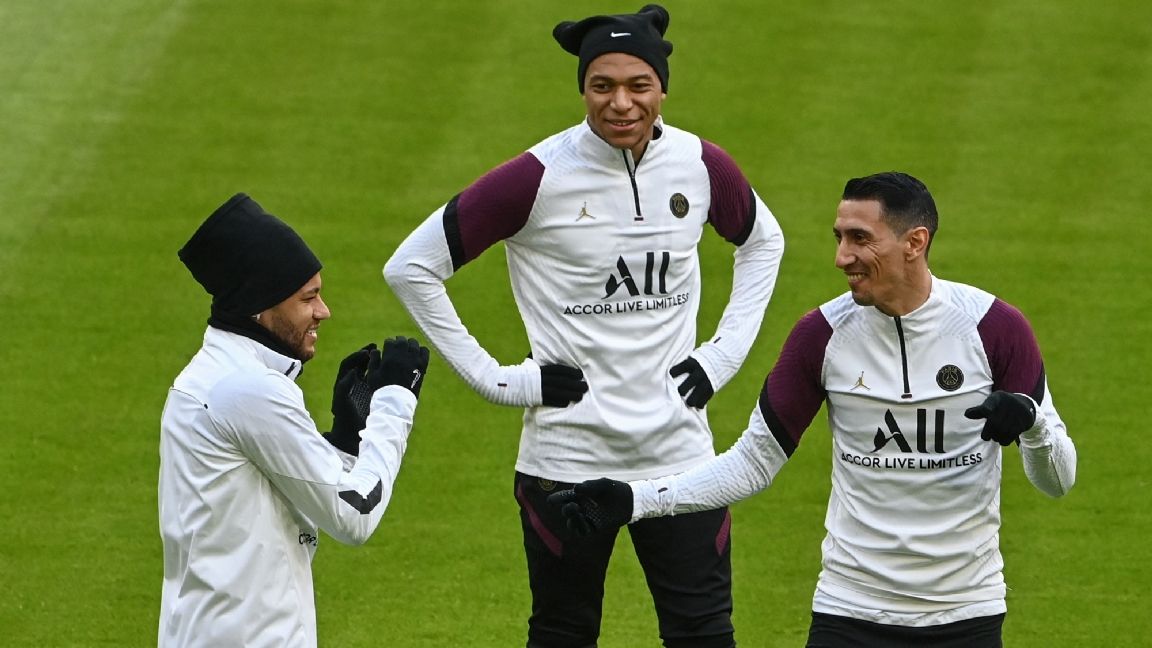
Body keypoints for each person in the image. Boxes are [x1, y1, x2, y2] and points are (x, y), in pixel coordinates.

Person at [383, 5, 784, 647]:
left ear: (662, 89)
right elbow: (411, 268)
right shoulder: (537, 177)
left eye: (638, 85)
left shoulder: (701, 164)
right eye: (603, 86)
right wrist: (498, 380)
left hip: (680, 460)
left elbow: (764, 242)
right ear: (583, 90)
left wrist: (723, 355)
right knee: (563, 634)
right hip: (565, 459)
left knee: (704, 634)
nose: (621, 104)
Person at [551, 171, 1078, 647]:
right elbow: (753, 462)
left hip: (967, 615)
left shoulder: (994, 329)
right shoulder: (821, 336)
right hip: (849, 613)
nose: (841, 257)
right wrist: (634, 499)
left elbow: (1058, 480)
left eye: (860, 239)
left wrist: (1032, 425)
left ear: (915, 243)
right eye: (839, 237)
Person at [158, 193, 430, 647]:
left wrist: (345, 441)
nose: (323, 311)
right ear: (259, 306)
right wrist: (395, 403)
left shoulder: (215, 376)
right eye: (308, 298)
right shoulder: (249, 389)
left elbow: (286, 496)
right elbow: (354, 514)